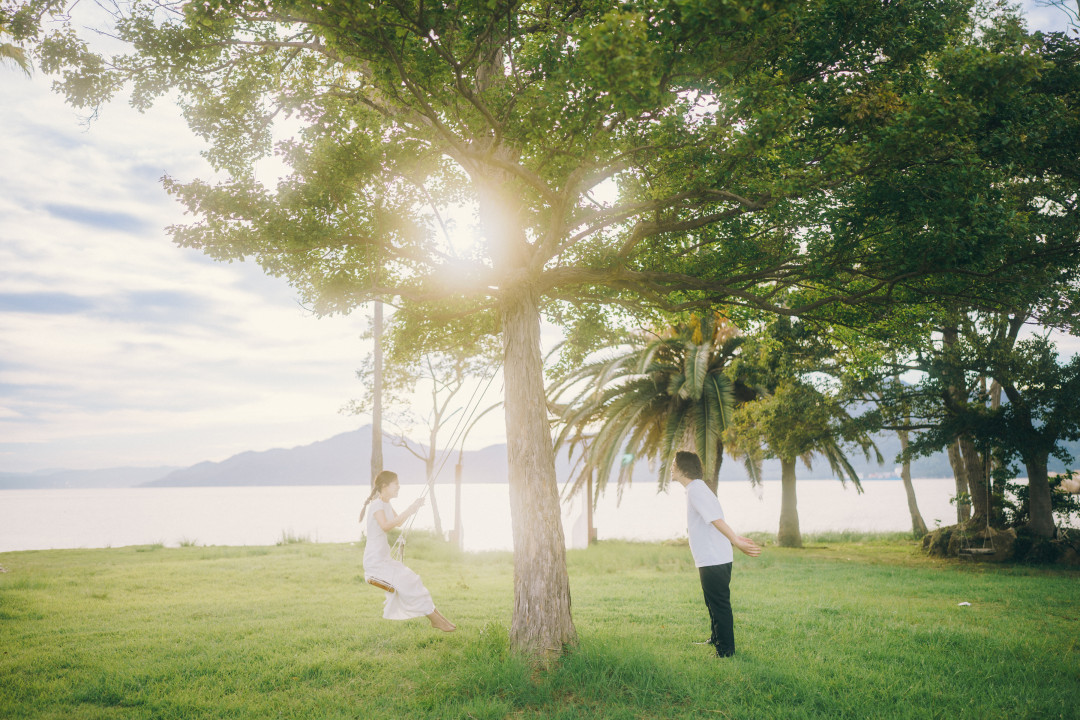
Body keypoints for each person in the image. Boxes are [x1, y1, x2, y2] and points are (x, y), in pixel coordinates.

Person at [671, 451, 761, 658]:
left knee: (719, 605)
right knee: (712, 602)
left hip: (714, 558)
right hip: (710, 557)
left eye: (674, 464)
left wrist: (736, 540)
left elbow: (716, 519)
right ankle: (716, 638)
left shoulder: (696, 491)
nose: (671, 467)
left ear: (683, 468)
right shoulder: (696, 490)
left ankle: (726, 651)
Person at [359, 470, 455, 632]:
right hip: (375, 561)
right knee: (409, 583)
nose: (399, 487)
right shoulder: (376, 505)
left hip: (383, 558)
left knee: (413, 580)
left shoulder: (385, 504)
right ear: (384, 486)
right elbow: (386, 526)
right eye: (395, 484)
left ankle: (439, 618)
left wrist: (414, 507)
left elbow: (398, 522)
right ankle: (435, 619)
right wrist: (409, 509)